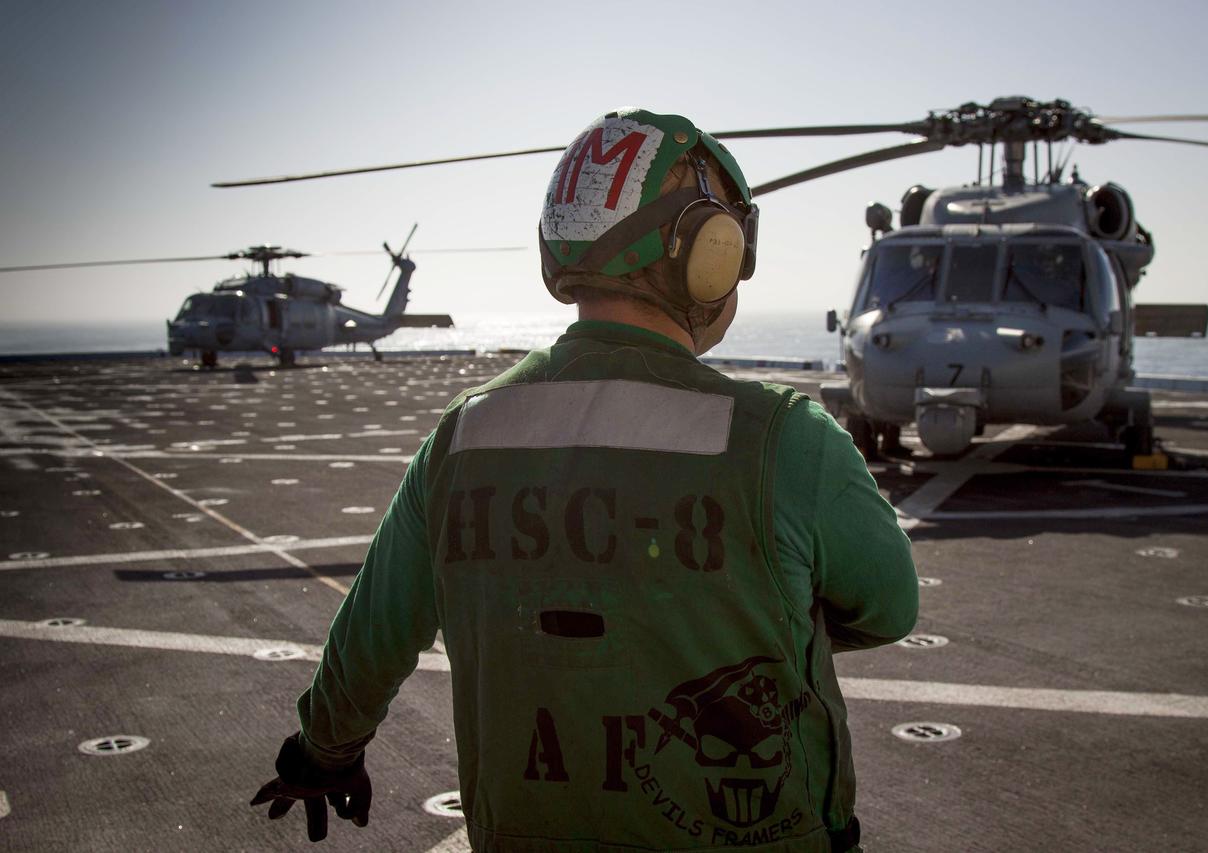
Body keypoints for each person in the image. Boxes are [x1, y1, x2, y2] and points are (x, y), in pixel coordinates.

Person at [252, 108, 918, 851]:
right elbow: (889, 606)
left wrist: (321, 753)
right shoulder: (787, 440)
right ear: (707, 249)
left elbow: (373, 635)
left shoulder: (462, 437)